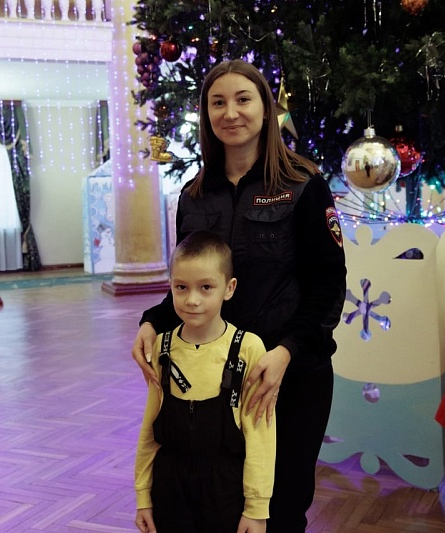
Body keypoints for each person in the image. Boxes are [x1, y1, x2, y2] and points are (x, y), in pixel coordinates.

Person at [132, 59, 347, 532]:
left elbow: (328, 286)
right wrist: (151, 321)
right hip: (215, 380)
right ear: (206, 114)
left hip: (287, 379)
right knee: (221, 508)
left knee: (280, 510)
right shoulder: (194, 196)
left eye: (243, 99)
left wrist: (286, 352)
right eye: (218, 102)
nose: (230, 113)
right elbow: (193, 286)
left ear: (266, 109)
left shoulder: (304, 185)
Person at [134, 230, 274, 533]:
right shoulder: (161, 348)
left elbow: (260, 437)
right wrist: (143, 496)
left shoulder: (248, 349)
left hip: (226, 492)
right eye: (181, 287)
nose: (192, 300)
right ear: (170, 285)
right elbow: (149, 429)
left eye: (206, 287)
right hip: (170, 490)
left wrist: (256, 509)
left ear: (229, 288)